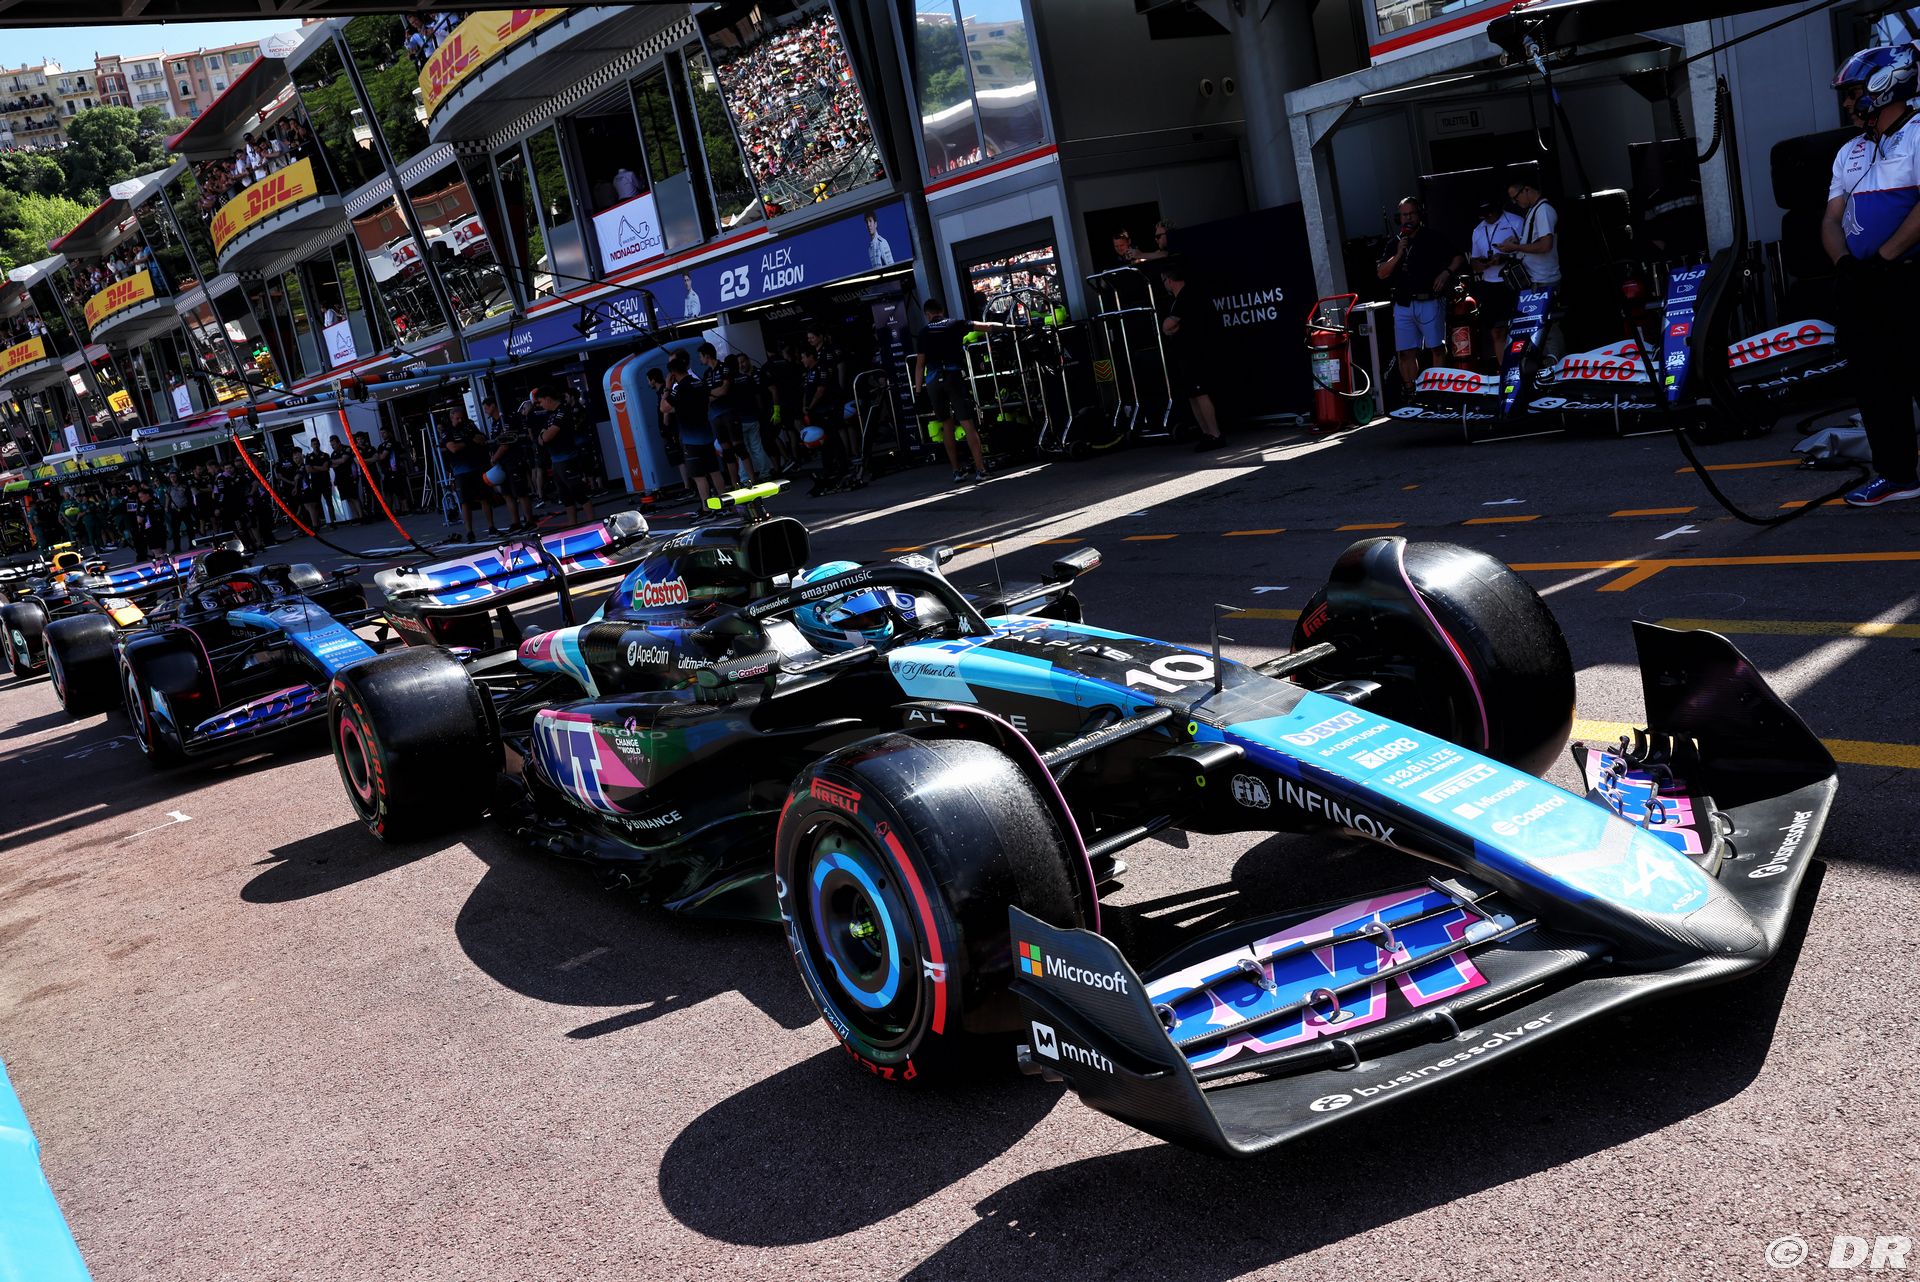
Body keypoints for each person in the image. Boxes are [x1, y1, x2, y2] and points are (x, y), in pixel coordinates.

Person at [1825, 44, 1920, 507]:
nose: (1847, 103)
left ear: (1885, 87)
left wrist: (1885, 258)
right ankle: (1897, 475)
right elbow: (1830, 218)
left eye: (1853, 92)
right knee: (1876, 383)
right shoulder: (1849, 151)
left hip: (1909, 278)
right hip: (1863, 283)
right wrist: (1846, 264)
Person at [1377, 196, 1466, 390]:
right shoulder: (1395, 243)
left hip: (1430, 301)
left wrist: (1446, 273)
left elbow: (1458, 257)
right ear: (1398, 218)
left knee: (1436, 348)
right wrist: (1398, 254)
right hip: (1403, 304)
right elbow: (1381, 273)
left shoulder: (1433, 237)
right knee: (1405, 352)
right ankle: (1411, 392)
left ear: (1419, 215)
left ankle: (1437, 390)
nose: (1408, 218)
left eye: (1411, 214)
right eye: (1404, 215)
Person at [913, 297, 991, 482]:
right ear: (942, 311)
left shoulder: (923, 333)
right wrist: (1011, 327)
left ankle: (956, 471)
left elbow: (919, 365)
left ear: (927, 315)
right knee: (967, 423)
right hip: (953, 377)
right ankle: (980, 470)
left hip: (933, 381)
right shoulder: (954, 324)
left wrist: (918, 392)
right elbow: (986, 326)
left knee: (946, 425)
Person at [1158, 262, 1226, 451]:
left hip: (1196, 353)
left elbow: (1167, 325)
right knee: (1193, 395)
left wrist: (1172, 327)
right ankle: (1207, 434)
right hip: (1186, 354)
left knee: (1200, 393)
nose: (1164, 285)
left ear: (1169, 280)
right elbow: (1169, 327)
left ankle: (1215, 434)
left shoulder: (1187, 296)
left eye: (1164, 281)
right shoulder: (1180, 299)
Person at [1497, 179, 1563, 358]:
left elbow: (1545, 245)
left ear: (1526, 189)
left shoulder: (1543, 210)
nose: (1515, 202)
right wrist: (1517, 243)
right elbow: (1536, 241)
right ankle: (1547, 362)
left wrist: (1516, 247)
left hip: (1543, 279)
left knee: (1547, 325)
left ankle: (1554, 362)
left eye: (1515, 197)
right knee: (1538, 326)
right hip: (1534, 279)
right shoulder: (1533, 210)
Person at [663, 356, 727, 505]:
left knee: (699, 476)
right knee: (714, 471)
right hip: (706, 434)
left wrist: (667, 387)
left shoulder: (679, 388)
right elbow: (708, 399)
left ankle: (707, 508)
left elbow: (664, 408)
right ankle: (726, 504)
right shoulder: (699, 383)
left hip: (691, 439)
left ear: (673, 374)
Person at [1468, 199, 1526, 354]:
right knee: (1497, 331)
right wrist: (1482, 264)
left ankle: (1524, 364)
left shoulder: (1516, 222)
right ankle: (1503, 366)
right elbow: (1474, 261)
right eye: (1483, 214)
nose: (1487, 217)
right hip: (1491, 285)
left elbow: (1529, 252)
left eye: (1490, 213)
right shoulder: (1478, 230)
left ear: (1498, 209)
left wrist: (1505, 258)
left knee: (1520, 329)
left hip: (1514, 282)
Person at [533, 385, 597, 526]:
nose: (540, 405)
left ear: (548, 399)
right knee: (565, 495)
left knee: (578, 493)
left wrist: (543, 436)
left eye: (541, 401)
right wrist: (543, 436)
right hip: (556, 460)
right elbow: (541, 437)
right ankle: (573, 524)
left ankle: (593, 523)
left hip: (568, 458)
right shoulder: (551, 415)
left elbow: (547, 436)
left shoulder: (562, 412)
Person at [440, 408, 500, 540]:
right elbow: (453, 448)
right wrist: (470, 441)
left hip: (477, 467)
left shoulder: (469, 426)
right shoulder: (447, 431)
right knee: (465, 502)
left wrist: (469, 441)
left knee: (484, 498)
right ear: (452, 417)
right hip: (461, 471)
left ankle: (491, 527)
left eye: (462, 418)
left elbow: (482, 438)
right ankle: (469, 531)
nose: (460, 420)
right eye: (457, 418)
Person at [481, 398, 534, 529]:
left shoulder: (507, 419)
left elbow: (505, 444)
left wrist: (494, 458)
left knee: (520, 492)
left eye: (486, 407)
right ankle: (515, 523)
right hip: (502, 464)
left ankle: (529, 521)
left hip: (513, 460)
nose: (485, 411)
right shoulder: (494, 423)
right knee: (507, 494)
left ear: (493, 406)